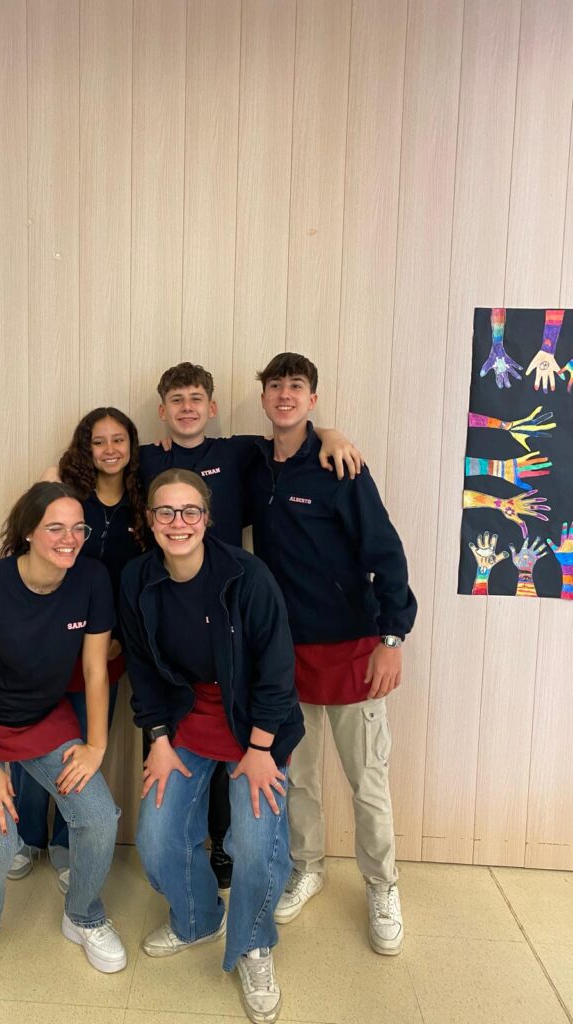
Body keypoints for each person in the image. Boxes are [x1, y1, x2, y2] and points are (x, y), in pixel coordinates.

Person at [139, 361, 364, 890]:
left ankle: (226, 846)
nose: (188, 408)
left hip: (231, 607)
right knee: (172, 713)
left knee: (230, 727)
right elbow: (96, 462)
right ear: (162, 410)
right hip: (166, 602)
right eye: (177, 400)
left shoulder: (239, 451)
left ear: (212, 408)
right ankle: (177, 847)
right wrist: (52, 474)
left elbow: (292, 435)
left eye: (197, 398)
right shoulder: (148, 458)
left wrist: (331, 433)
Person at [246, 352, 417, 956]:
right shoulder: (253, 463)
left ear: (312, 400)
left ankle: (382, 884)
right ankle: (308, 867)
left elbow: (386, 552)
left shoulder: (340, 466)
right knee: (298, 778)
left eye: (296, 386)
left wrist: (392, 639)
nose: (284, 395)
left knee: (367, 780)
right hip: (284, 653)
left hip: (352, 649)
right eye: (275, 386)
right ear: (263, 398)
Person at [120, 469, 304, 1024]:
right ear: (149, 520)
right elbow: (142, 670)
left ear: (207, 518)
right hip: (184, 724)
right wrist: (157, 738)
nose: (177, 523)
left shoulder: (248, 576)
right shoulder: (136, 578)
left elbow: (277, 670)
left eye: (189, 512)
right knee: (155, 839)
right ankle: (199, 919)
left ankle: (254, 944)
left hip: (256, 728)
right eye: (165, 512)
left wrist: (261, 749)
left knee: (253, 844)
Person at [0, 482, 127, 986]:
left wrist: (96, 745)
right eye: (55, 528)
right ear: (28, 532)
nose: (70, 538)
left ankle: (83, 916)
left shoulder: (92, 578)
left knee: (98, 818)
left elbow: (95, 670)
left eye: (78, 528)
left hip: (43, 718)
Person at [8, 409, 147, 886]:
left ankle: (68, 842)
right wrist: (49, 477)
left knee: (84, 747)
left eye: (118, 439)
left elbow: (145, 583)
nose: (109, 449)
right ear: (85, 448)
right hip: (50, 646)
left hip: (107, 649)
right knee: (33, 744)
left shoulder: (142, 501)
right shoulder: (67, 497)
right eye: (98, 441)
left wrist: (119, 638)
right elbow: (30, 553)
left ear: (132, 446)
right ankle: (26, 836)